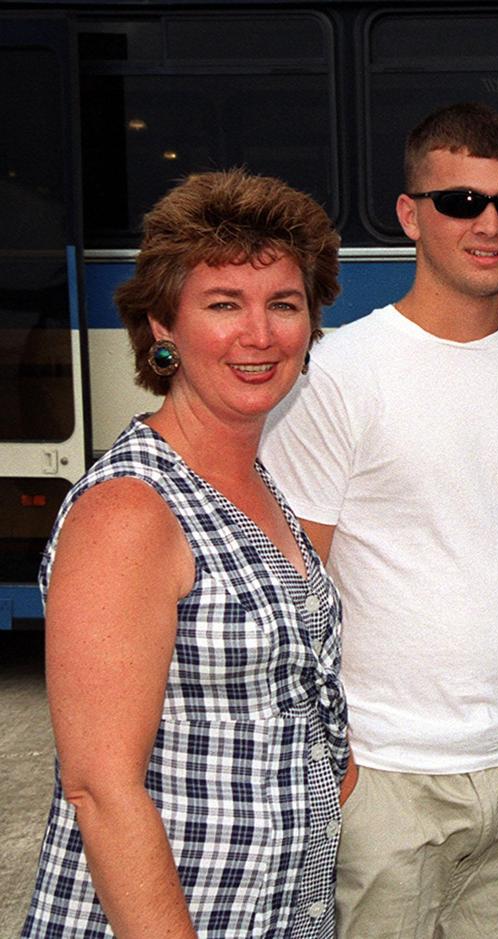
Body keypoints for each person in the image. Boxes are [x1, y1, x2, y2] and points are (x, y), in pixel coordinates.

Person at [260, 102, 498, 939]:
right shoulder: (334, 375)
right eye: (460, 202)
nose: (489, 224)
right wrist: (333, 768)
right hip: (383, 781)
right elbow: (290, 588)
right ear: (411, 215)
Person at [23, 169, 349, 938]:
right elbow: (101, 788)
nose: (259, 334)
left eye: (283, 304)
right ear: (163, 324)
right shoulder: (131, 510)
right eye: (223, 304)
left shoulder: (253, 483)